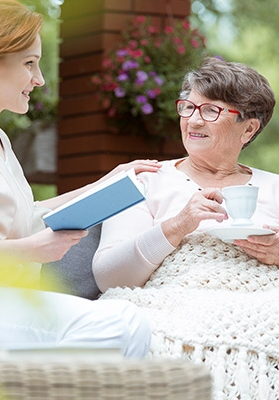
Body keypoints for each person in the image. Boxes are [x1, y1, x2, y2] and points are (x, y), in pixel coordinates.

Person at [0, 0, 162, 357]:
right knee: (118, 324)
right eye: (29, 64)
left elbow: (27, 215)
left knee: (129, 319)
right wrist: (33, 249)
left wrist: (107, 183)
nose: (39, 80)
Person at [93, 57, 279, 398]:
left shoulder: (276, 187)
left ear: (248, 129)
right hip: (174, 301)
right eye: (188, 107)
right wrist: (178, 225)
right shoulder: (142, 180)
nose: (193, 119)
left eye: (210, 110)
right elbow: (107, 276)